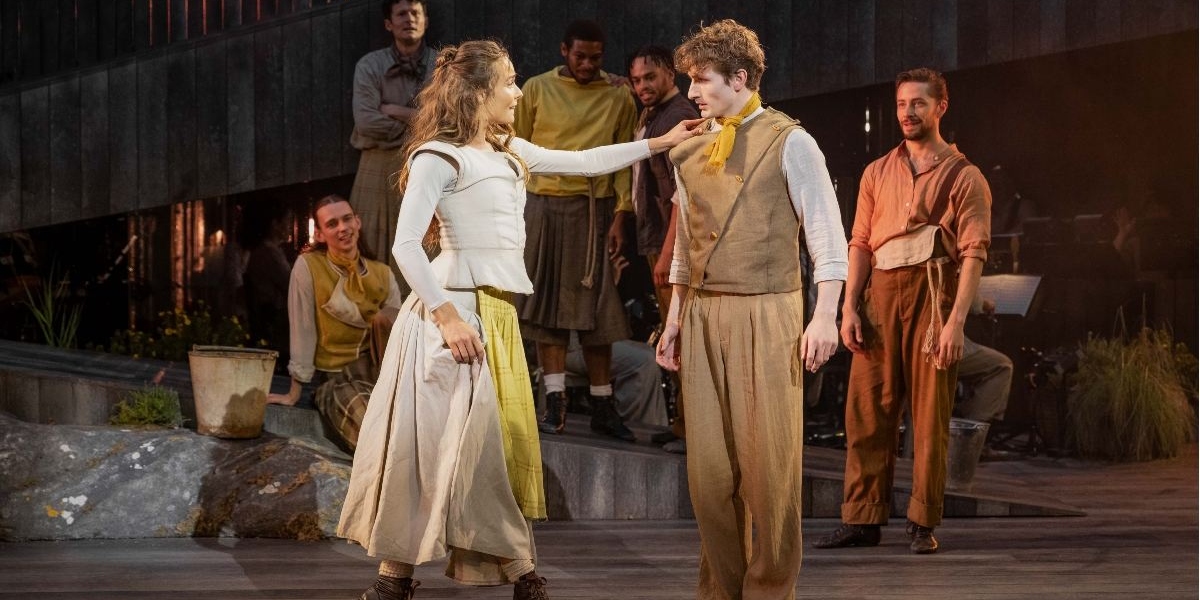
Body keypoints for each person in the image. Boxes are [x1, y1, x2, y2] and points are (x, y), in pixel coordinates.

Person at [336, 40, 701, 600]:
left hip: (498, 316)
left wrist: (661, 141)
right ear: (478, 92)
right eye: (508, 82)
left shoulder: (509, 154)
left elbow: (584, 162)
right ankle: (402, 578)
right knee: (434, 451)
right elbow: (407, 246)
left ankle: (515, 571)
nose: (518, 91)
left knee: (494, 451)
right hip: (451, 316)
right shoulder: (439, 157)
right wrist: (447, 318)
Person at [655, 19, 848, 600]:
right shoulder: (687, 147)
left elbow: (826, 236)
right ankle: (721, 588)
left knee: (770, 470)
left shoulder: (791, 141)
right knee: (709, 474)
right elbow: (688, 246)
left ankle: (770, 590)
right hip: (705, 314)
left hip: (770, 313)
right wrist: (673, 320)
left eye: (702, 80)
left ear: (740, 78)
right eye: (691, 81)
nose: (692, 93)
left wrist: (825, 315)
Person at [812, 67, 991, 555]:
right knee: (866, 411)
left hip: (933, 294)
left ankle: (921, 521)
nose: (908, 113)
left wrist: (955, 322)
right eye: (901, 105)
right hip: (880, 296)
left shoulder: (964, 176)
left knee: (930, 414)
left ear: (940, 107)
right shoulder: (876, 172)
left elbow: (974, 252)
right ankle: (863, 518)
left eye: (918, 103)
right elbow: (861, 244)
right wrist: (848, 308)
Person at [512, 19, 640, 442]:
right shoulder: (535, 89)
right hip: (544, 204)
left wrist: (622, 214)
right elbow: (516, 150)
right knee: (547, 307)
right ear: (564, 50)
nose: (587, 64)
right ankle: (555, 401)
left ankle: (603, 404)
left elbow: (625, 160)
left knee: (597, 310)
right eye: (579, 56)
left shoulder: (619, 93)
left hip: (595, 207)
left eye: (595, 57)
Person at [266, 196, 404, 451]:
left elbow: (399, 334)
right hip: (336, 380)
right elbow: (303, 330)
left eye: (347, 219)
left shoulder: (382, 273)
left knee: (392, 316)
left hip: (380, 374)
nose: (342, 228)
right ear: (319, 234)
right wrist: (295, 391)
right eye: (332, 224)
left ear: (358, 222)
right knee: (376, 431)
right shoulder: (308, 267)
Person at [620, 44, 699, 454]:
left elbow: (681, 194)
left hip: (672, 244)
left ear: (671, 72)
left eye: (650, 77)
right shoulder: (652, 114)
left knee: (680, 335)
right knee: (674, 337)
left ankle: (691, 430)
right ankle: (683, 424)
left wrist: (669, 252)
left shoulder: (679, 116)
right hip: (655, 239)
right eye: (635, 80)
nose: (642, 86)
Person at [349, 0, 436, 289]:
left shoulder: (441, 66)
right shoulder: (370, 65)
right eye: (401, 14)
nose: (409, 19)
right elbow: (366, 122)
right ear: (389, 23)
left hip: (425, 165)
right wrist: (421, 125)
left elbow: (446, 121)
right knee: (372, 245)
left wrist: (398, 111)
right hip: (376, 165)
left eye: (415, 13)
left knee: (426, 244)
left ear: (425, 20)